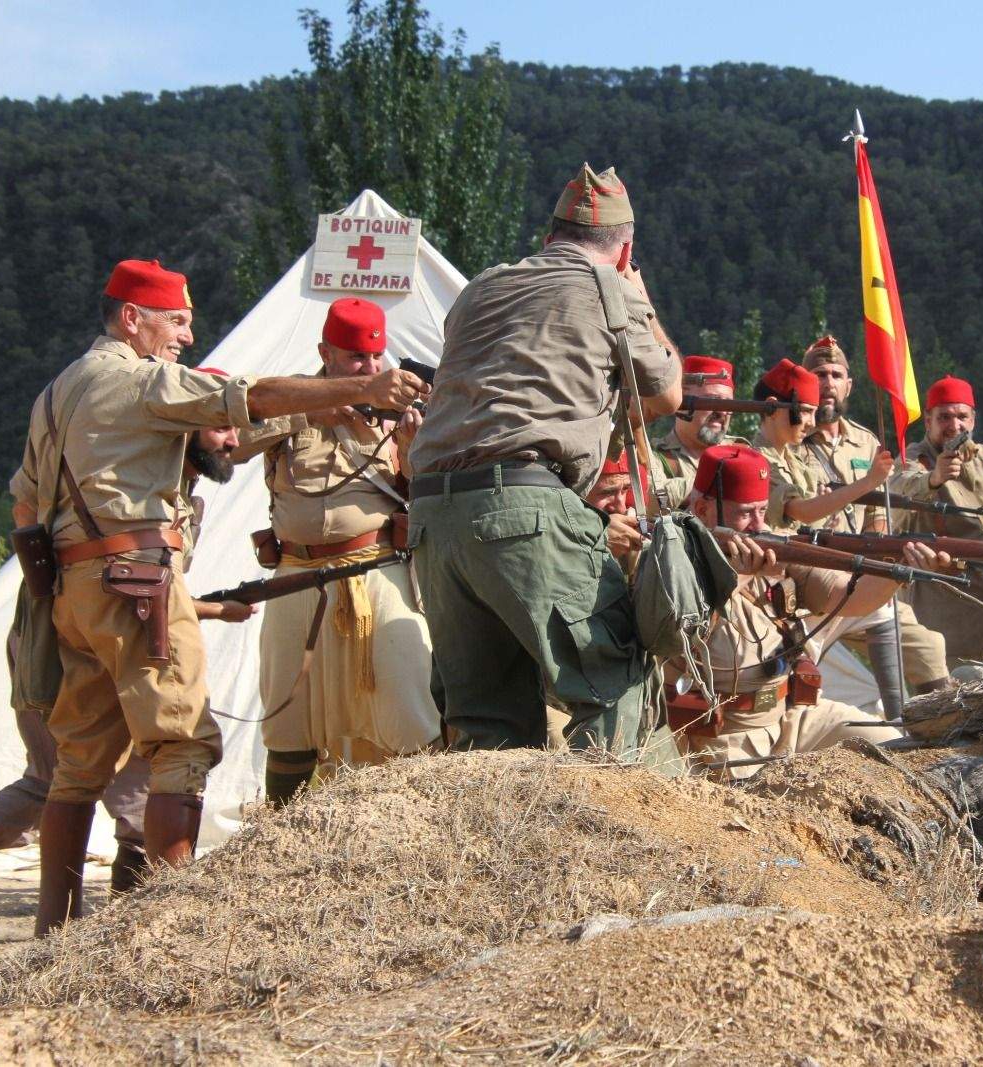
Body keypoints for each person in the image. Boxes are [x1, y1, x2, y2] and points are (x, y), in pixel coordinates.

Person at [11, 258, 426, 935]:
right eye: (176, 321)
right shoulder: (141, 380)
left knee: (78, 765)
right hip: (139, 586)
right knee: (182, 746)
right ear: (131, 319)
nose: (185, 336)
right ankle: (177, 930)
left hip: (74, 590)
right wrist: (360, 389)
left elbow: (25, 504)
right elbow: (244, 400)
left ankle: (52, 932)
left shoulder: (57, 392)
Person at [408, 163, 680, 754]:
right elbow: (665, 394)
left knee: (485, 719)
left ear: (547, 237)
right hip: (524, 504)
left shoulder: (481, 287)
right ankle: (623, 818)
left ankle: (493, 818)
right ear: (625, 250)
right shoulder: (609, 287)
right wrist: (641, 300)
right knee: (612, 682)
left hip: (432, 515)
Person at [0, 417, 253, 889]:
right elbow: (103, 576)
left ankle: (125, 916)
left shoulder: (183, 499)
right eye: (219, 429)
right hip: (62, 637)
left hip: (128, 637)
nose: (233, 442)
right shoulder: (123, 484)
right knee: (54, 776)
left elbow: (155, 587)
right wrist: (216, 609)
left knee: (142, 778)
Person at [229, 298, 440, 806]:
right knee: (287, 717)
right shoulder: (289, 397)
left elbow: (421, 491)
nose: (368, 368)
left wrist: (413, 447)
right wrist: (305, 412)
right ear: (325, 353)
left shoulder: (400, 403)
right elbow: (229, 446)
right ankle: (281, 835)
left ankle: (419, 830)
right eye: (354, 358)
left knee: (408, 706)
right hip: (295, 572)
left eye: (374, 358)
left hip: (376, 568)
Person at [667, 445, 944, 780]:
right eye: (746, 513)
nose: (759, 524)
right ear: (702, 509)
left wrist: (899, 568)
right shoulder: (671, 559)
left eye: (762, 510)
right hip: (727, 732)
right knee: (747, 805)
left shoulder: (774, 546)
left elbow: (851, 599)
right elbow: (679, 625)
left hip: (794, 713)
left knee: (892, 748)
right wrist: (736, 577)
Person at [799, 336, 951, 706]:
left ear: (849, 385)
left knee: (927, 645)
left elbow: (878, 516)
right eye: (819, 375)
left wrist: (876, 557)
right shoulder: (793, 440)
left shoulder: (865, 442)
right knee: (806, 667)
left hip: (860, 574)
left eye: (836, 375)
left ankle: (936, 722)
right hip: (810, 584)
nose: (828, 383)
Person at [883, 375, 983, 664]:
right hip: (941, 603)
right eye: (944, 417)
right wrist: (934, 478)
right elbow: (899, 489)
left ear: (973, 420)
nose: (954, 426)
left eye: (962, 417)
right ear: (928, 421)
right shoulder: (914, 459)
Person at [752, 358, 893, 531]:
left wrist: (824, 521)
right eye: (805, 411)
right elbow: (802, 512)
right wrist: (869, 481)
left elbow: (804, 523)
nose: (811, 423)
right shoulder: (758, 462)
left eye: (814, 413)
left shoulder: (792, 460)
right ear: (772, 408)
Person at [653, 354, 745, 504]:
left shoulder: (741, 450)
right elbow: (654, 500)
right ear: (680, 401)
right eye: (712, 401)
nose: (722, 412)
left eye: (728, 404)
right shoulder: (657, 458)